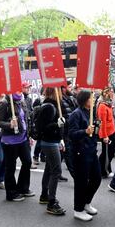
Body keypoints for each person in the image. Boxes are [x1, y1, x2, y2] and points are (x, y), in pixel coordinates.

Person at [69, 90, 101, 221]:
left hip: (92, 150)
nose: (93, 100)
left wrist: (97, 128)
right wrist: (85, 131)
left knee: (97, 178)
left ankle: (86, 202)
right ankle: (78, 209)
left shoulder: (90, 112)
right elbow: (71, 134)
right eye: (91, 98)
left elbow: (93, 132)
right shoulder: (76, 114)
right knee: (81, 181)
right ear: (84, 100)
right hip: (80, 152)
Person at [0, 93, 34, 202]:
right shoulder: (4, 103)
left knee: (27, 162)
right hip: (10, 141)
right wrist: (9, 124)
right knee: (10, 167)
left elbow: (25, 120)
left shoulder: (21, 101)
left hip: (23, 139)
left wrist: (29, 135)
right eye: (16, 90)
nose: (19, 92)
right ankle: (11, 193)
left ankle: (23, 188)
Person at [38, 87, 66, 215]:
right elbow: (43, 127)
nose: (61, 92)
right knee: (56, 171)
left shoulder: (54, 105)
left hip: (52, 141)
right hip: (49, 142)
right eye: (59, 90)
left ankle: (45, 195)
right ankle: (51, 202)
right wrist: (57, 125)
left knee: (49, 169)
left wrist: (60, 138)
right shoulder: (49, 106)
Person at [97, 87, 115, 178]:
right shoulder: (102, 105)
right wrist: (105, 136)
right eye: (111, 92)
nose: (112, 93)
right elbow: (103, 123)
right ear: (106, 93)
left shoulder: (108, 104)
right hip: (106, 134)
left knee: (110, 152)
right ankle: (102, 170)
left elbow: (111, 120)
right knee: (106, 153)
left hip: (111, 132)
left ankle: (106, 169)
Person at [61, 81, 78, 178]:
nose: (71, 88)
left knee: (61, 154)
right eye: (69, 87)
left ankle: (56, 173)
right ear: (63, 88)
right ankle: (76, 177)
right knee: (68, 153)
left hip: (71, 130)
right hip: (64, 130)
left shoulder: (71, 99)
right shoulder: (60, 100)